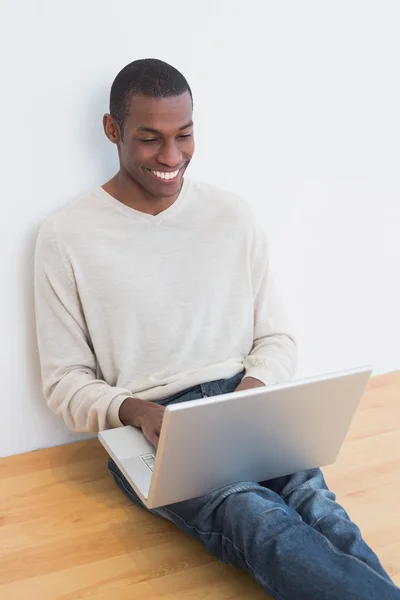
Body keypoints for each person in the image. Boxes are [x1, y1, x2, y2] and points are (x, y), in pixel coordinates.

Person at [34, 58, 400, 600]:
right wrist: (139, 411)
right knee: (259, 520)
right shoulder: (66, 237)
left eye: (184, 136)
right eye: (150, 139)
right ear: (112, 130)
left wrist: (250, 397)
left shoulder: (231, 215)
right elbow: (64, 381)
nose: (171, 157)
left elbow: (276, 339)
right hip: (150, 427)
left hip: (244, 405)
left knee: (319, 508)